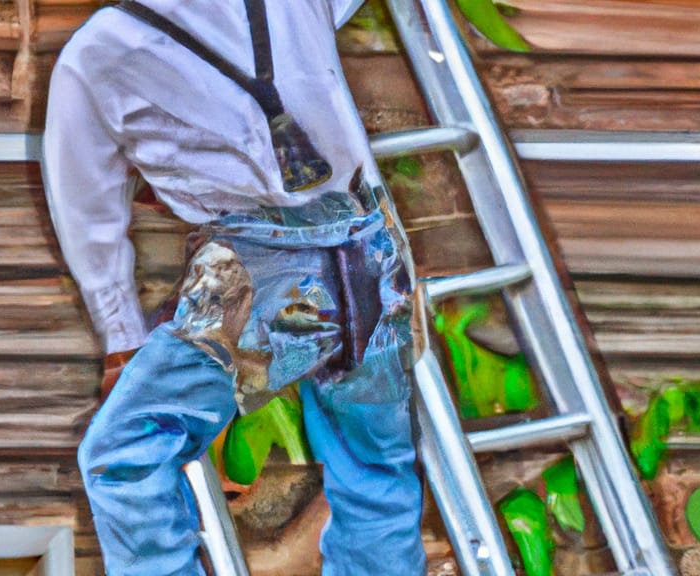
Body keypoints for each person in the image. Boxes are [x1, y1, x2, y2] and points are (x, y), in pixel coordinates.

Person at [41, 0, 426, 574]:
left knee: (124, 456)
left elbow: (87, 213)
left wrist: (121, 334)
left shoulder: (97, 52)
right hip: (372, 246)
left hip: (260, 268)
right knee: (373, 462)